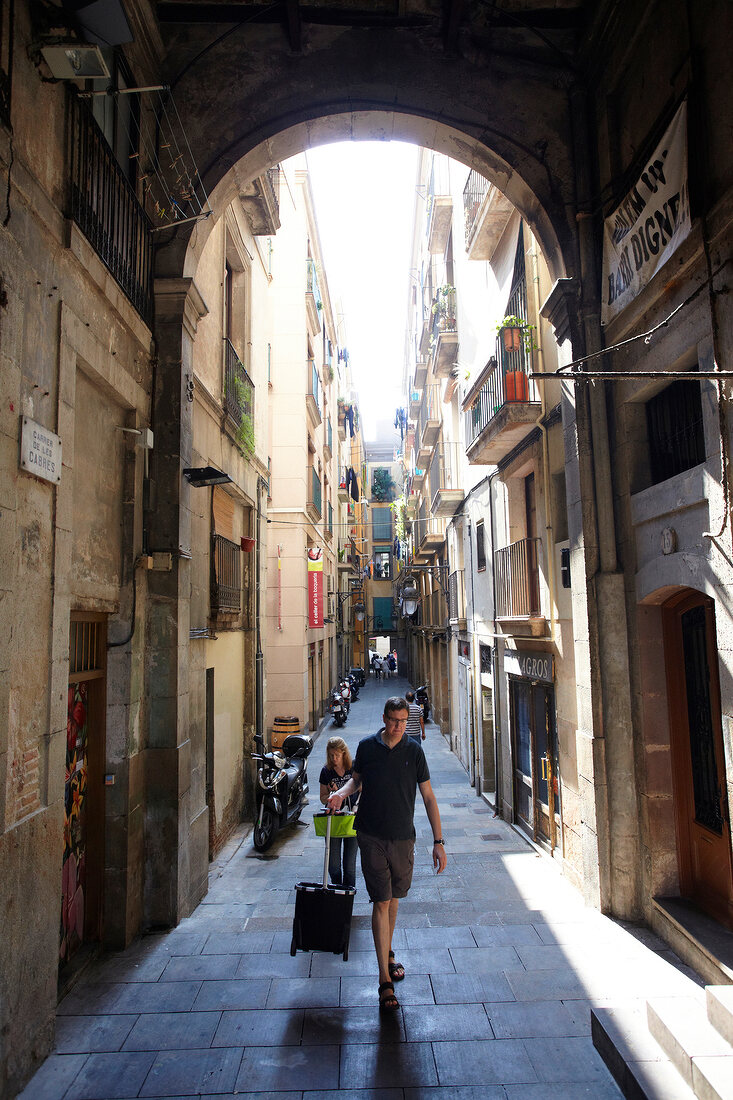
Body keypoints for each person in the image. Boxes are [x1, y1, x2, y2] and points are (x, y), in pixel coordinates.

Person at [327, 697, 447, 1013]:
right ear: (384, 718)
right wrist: (340, 793)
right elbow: (356, 780)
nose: (397, 727)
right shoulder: (366, 748)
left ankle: (388, 950)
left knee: (393, 900)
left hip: (403, 838)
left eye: (402, 722)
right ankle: (384, 980)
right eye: (393, 721)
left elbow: (429, 797)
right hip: (370, 835)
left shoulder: (414, 751)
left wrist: (439, 840)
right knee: (381, 900)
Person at [319, 736, 359, 889]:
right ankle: (337, 891)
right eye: (331, 755)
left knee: (350, 865)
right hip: (334, 820)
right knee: (333, 865)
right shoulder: (326, 771)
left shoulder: (353, 768)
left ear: (344, 753)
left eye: (337, 755)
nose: (334, 758)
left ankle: (348, 897)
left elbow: (362, 787)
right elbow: (322, 798)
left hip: (352, 819)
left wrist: (347, 792)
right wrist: (330, 795)